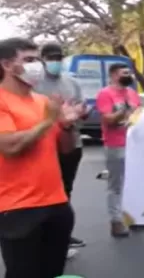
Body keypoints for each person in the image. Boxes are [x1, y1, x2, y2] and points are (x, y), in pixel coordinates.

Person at [0, 37, 81, 278]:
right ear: (6, 64)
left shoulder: (43, 102)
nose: (37, 65)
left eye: (37, 59)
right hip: (18, 209)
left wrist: (66, 125)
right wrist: (48, 120)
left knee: (53, 272)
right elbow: (10, 147)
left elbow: (65, 149)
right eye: (28, 60)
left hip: (56, 203)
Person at [34, 42, 89, 256]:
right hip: (45, 145)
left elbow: (81, 108)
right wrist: (57, 114)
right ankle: (43, 234)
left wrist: (80, 113)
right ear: (42, 59)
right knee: (45, 190)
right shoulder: (35, 84)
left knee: (65, 190)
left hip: (71, 142)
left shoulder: (72, 83)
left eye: (58, 57)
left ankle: (62, 233)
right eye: (50, 57)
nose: (54, 62)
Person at [96, 62, 141, 237]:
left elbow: (138, 115)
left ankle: (134, 219)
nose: (129, 75)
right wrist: (123, 112)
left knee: (134, 184)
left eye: (129, 72)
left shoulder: (132, 93)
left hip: (134, 145)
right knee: (116, 185)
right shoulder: (105, 94)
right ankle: (116, 222)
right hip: (115, 145)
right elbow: (109, 120)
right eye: (125, 72)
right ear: (114, 75)